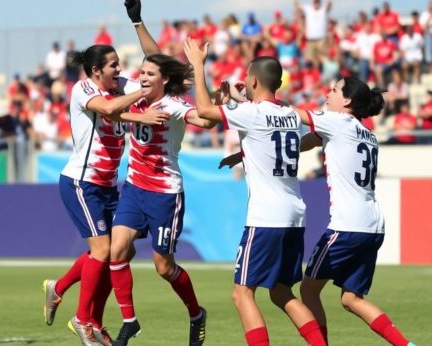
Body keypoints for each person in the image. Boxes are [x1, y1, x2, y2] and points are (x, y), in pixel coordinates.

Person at [184, 39, 327, 346]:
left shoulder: (252, 114)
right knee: (280, 292)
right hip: (294, 214)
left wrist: (198, 64)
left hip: (266, 217)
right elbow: (287, 140)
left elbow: (205, 112)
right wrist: (245, 152)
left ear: (252, 80)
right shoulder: (290, 114)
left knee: (242, 293)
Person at [42, 1, 167, 345]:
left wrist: (138, 23)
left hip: (110, 186)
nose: (119, 69)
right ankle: (83, 321)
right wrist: (142, 102)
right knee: (101, 251)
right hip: (81, 184)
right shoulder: (83, 90)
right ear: (96, 71)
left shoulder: (121, 86)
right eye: (113, 65)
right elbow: (110, 109)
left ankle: (68, 294)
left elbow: (158, 66)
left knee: (117, 254)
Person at [294, 76, 416, 346]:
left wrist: (254, 104)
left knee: (308, 290)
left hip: (346, 226)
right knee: (351, 298)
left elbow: (291, 114)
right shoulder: (367, 134)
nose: (328, 93)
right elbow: (312, 141)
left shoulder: (336, 122)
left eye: (335, 90)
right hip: (373, 225)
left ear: (347, 100)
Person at [109, 53, 219, 346]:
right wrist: (137, 20)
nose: (143, 78)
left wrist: (199, 68)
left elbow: (206, 123)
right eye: (141, 72)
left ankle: (196, 314)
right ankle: (129, 322)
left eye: (150, 74)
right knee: (116, 250)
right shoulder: (134, 91)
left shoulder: (173, 105)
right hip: (133, 188)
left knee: (164, 267)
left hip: (165, 195)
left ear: (165, 80)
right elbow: (108, 110)